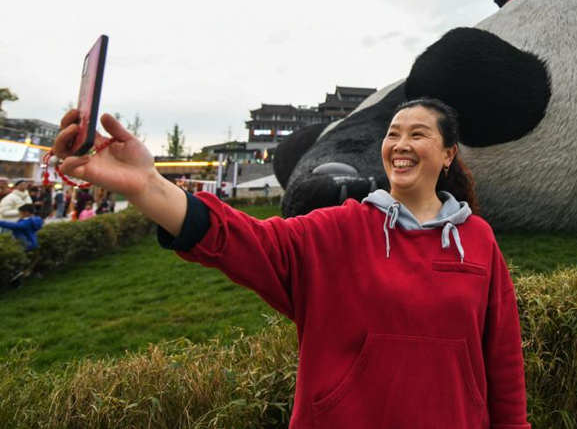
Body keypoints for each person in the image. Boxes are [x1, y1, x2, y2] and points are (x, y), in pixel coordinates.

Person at [52, 102, 531, 429]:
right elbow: (240, 240)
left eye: (418, 135)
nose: (400, 144)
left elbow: (503, 361)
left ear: (448, 154)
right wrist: (145, 186)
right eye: (393, 134)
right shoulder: (338, 231)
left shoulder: (477, 241)